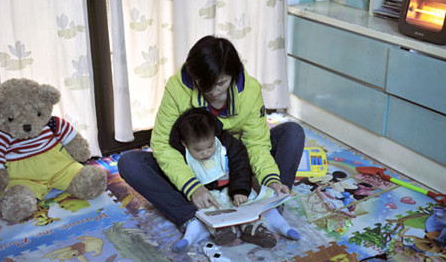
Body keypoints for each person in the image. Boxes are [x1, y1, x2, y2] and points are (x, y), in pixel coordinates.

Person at [118, 35, 305, 252]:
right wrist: (192, 187)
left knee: (292, 132)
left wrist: (271, 179)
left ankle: (267, 210)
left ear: (233, 76)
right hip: (194, 166)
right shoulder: (178, 87)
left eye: (221, 83)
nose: (214, 92)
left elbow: (257, 144)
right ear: (194, 76)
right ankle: (192, 219)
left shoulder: (250, 90)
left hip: (235, 164)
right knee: (129, 162)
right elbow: (162, 144)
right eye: (205, 85)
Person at [169, 107, 277, 248]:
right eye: (198, 150)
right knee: (205, 208)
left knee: (249, 200)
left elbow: (240, 164)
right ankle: (222, 229)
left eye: (210, 146)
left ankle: (255, 228)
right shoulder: (181, 155)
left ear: (215, 136)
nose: (206, 153)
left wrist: (240, 189)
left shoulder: (226, 142)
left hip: (233, 185)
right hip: (208, 193)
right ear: (185, 144)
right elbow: (177, 175)